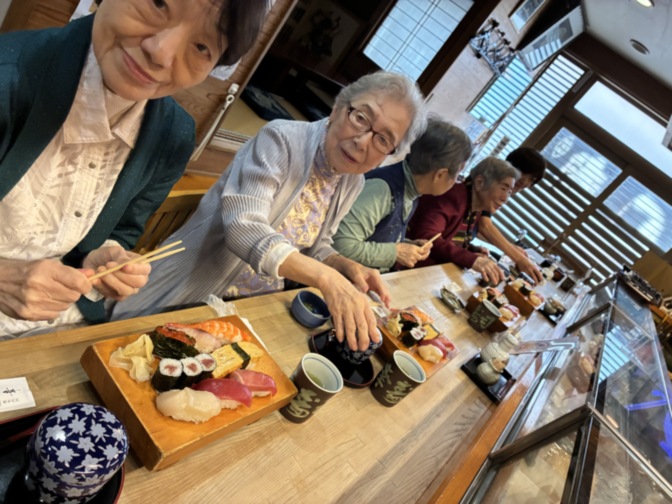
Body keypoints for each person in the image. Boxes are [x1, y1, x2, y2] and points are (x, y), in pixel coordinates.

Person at [0, 0, 268, 339]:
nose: (161, 53)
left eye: (202, 47)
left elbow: (124, 230)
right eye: (158, 3)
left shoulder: (173, 136)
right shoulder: (9, 77)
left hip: (58, 328)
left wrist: (102, 257)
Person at [111, 71, 428, 352]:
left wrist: (342, 264)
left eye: (383, 139)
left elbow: (316, 244)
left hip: (250, 313)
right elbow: (244, 227)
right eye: (360, 118)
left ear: (389, 155)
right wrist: (326, 278)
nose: (362, 141)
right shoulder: (281, 139)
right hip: (185, 297)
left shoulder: (352, 181)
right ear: (338, 108)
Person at [332, 119, 472, 271]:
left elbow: (377, 235)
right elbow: (340, 245)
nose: (457, 181)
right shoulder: (382, 189)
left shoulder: (411, 193)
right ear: (440, 174)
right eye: (458, 175)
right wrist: (395, 252)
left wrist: (407, 245)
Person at [407, 157, 520, 283]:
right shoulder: (452, 196)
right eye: (503, 188)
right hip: (409, 269)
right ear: (480, 182)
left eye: (509, 192)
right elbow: (427, 237)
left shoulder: (476, 206)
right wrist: (471, 259)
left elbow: (450, 237)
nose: (505, 198)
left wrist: (470, 249)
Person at [477, 147, 547, 283]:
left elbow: (474, 226)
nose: (506, 198)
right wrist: (518, 258)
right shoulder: (487, 184)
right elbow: (483, 225)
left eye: (518, 188)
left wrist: (510, 247)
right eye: (529, 177)